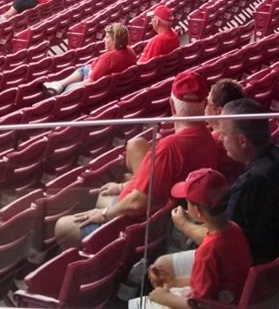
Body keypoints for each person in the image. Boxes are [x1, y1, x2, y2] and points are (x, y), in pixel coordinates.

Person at [55, 71, 222, 248]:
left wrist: (105, 214)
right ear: (203, 104)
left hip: (137, 222)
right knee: (104, 193)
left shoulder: (169, 148)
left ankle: (88, 258)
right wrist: (122, 187)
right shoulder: (208, 138)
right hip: (158, 213)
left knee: (62, 226)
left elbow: (137, 203)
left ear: (172, 105)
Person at [204, 99, 279, 264]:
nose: (220, 138)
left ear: (242, 141)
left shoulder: (251, 184)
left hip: (260, 259)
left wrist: (185, 225)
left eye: (224, 134)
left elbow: (225, 239)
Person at [137, 169, 252, 309]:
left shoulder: (208, 252)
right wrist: (175, 282)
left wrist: (165, 298)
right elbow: (208, 281)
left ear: (198, 212)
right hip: (231, 294)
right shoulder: (234, 228)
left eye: (187, 202)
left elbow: (199, 305)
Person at [44, 23, 134, 94]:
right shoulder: (130, 51)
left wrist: (69, 92)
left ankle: (59, 94)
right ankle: (58, 84)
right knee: (84, 69)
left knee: (69, 87)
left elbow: (91, 81)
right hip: (115, 84)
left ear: (115, 40)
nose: (104, 40)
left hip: (99, 89)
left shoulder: (108, 58)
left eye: (107, 37)